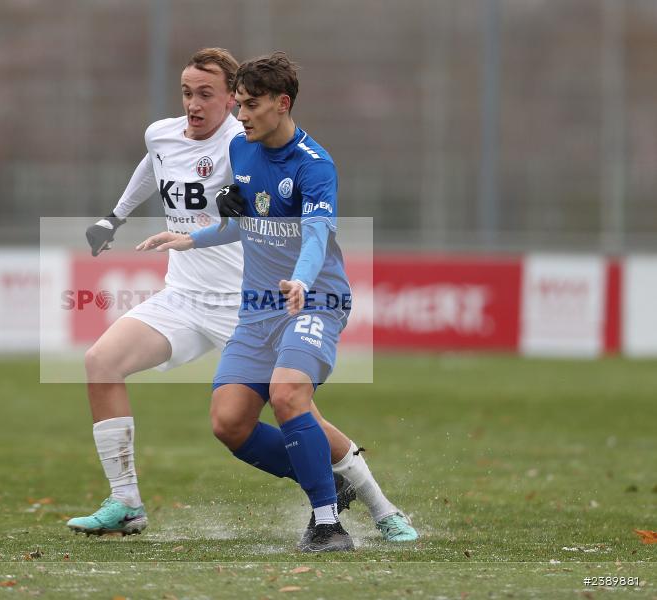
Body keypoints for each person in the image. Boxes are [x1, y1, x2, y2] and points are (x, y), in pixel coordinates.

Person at [70, 48, 416, 546]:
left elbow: (315, 231)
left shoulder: (276, 147)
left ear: (256, 100)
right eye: (187, 93)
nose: (197, 104)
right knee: (114, 368)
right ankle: (125, 501)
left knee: (293, 403)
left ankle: (376, 509)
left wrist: (299, 278)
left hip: (263, 299)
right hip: (191, 297)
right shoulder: (216, 141)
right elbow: (162, 167)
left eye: (209, 94)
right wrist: (133, 222)